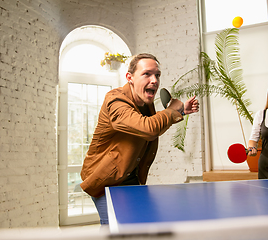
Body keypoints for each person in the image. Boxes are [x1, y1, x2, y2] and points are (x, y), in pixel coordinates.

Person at [80, 53, 199, 224]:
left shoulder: (145, 102)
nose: (155, 80)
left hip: (130, 177)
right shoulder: (115, 101)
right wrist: (173, 111)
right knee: (114, 229)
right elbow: (148, 129)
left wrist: (179, 111)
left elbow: (150, 128)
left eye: (157, 75)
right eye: (147, 74)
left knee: (138, 226)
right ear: (130, 77)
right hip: (105, 180)